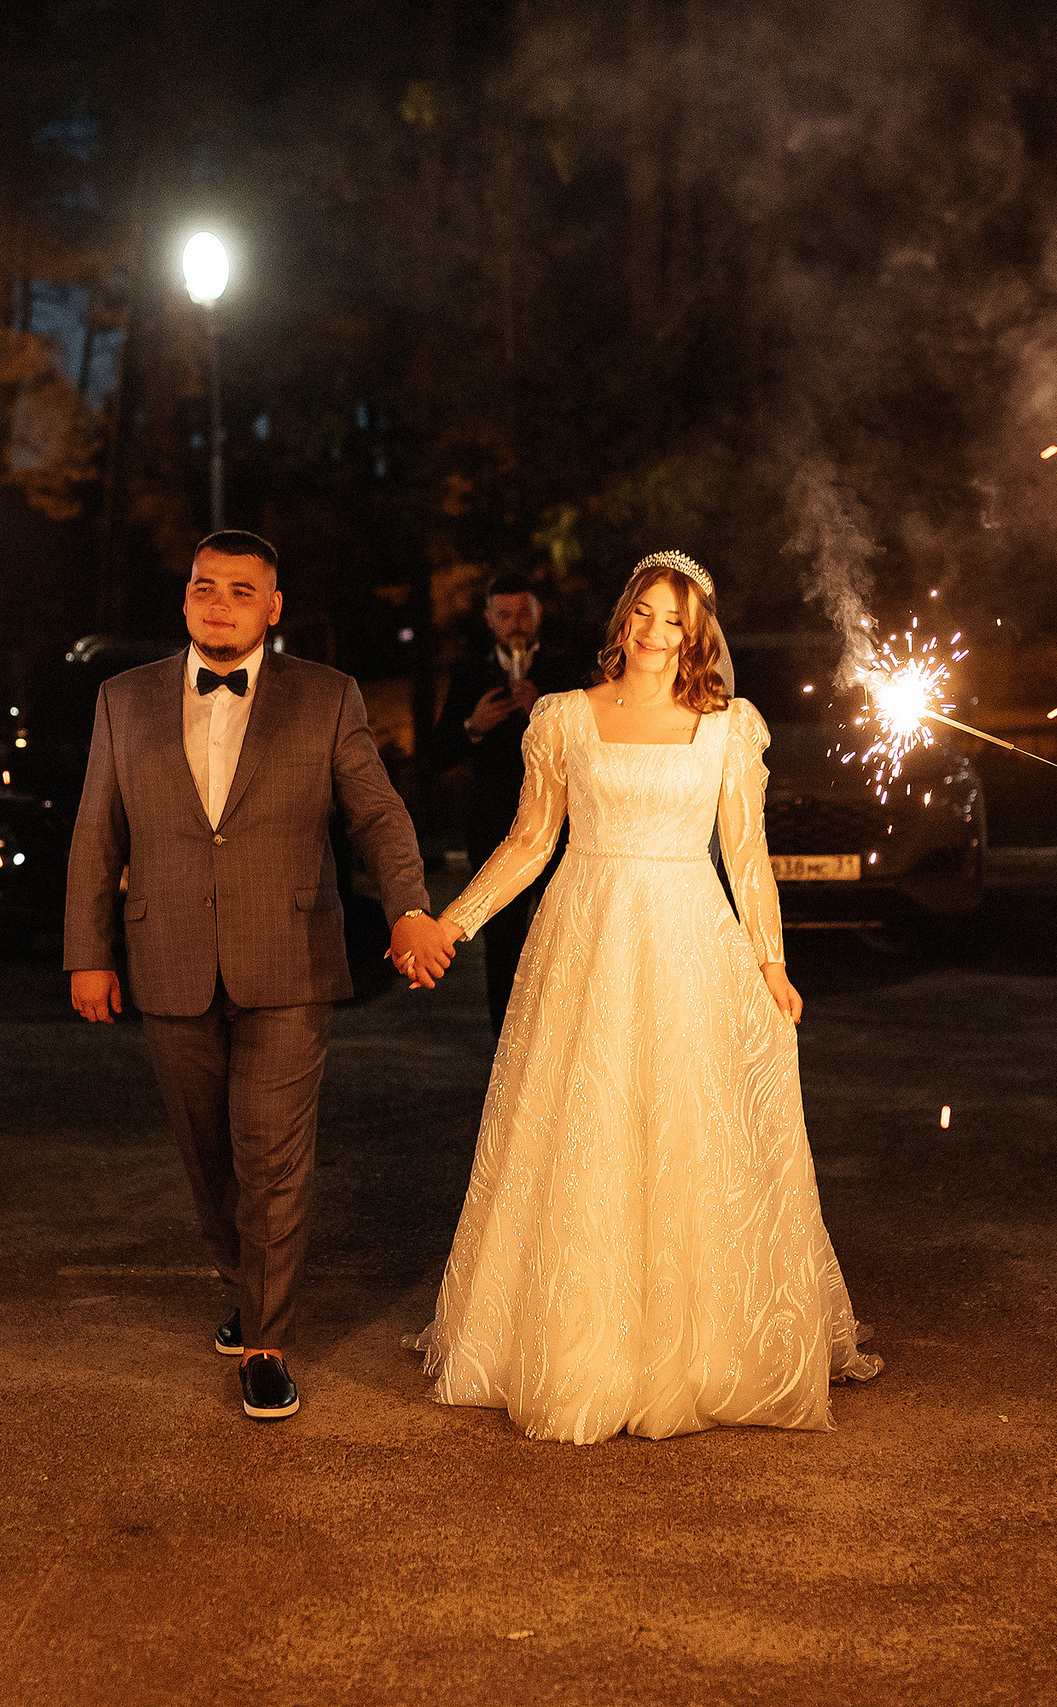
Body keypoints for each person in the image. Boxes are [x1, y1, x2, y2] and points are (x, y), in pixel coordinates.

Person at [397, 551, 881, 1443]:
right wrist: (453, 922)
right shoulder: (562, 719)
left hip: (689, 938)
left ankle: (692, 1346)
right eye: (645, 613)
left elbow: (745, 858)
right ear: (622, 618)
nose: (657, 631)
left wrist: (771, 964)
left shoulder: (729, 728)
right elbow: (530, 841)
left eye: (676, 619)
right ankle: (576, 1342)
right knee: (584, 1127)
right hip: (584, 934)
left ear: (697, 633)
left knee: (684, 1127)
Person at [63, 529, 441, 1423]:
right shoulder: (123, 699)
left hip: (290, 959)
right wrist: (88, 951)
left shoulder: (328, 696)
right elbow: (95, 832)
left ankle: (266, 1341)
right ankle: (246, 1281)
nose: (220, 603)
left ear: (273, 607)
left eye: (242, 590)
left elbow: (378, 817)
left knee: (271, 1156)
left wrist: (409, 906)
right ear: (184, 598)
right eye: (205, 587)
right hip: (168, 959)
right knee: (208, 1157)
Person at [426, 573, 581, 1024]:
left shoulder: (565, 670)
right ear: (489, 619)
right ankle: (505, 1047)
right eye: (505, 614)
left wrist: (547, 710)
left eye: (524, 613)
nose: (516, 623)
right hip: (496, 829)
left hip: (564, 831)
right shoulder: (471, 675)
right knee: (504, 948)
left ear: (538, 616)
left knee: (565, 940)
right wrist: (472, 727)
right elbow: (436, 755)